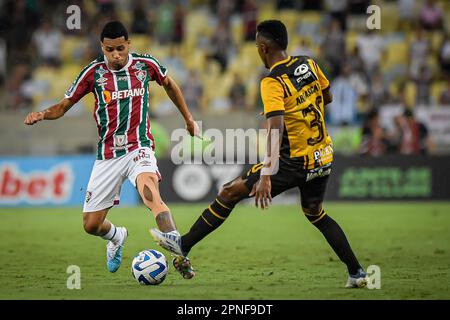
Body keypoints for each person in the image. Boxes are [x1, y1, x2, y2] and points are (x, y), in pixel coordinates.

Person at [152, 20, 369, 288]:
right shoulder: (308, 64)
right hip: (322, 155)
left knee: (230, 192)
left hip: (292, 161)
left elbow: (275, 128)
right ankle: (356, 272)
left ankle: (183, 244)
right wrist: (294, 111)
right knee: (315, 212)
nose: (256, 50)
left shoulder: (272, 80)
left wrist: (267, 172)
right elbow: (327, 97)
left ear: (264, 47)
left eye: (256, 46)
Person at [24, 21, 198, 276]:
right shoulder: (92, 73)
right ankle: (117, 236)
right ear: (102, 47)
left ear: (128, 45)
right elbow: (63, 105)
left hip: (139, 147)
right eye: (109, 49)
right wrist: (41, 113)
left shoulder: (144, 65)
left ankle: (181, 256)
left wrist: (188, 118)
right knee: (91, 225)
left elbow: (170, 85)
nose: (115, 55)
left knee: (152, 197)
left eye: (120, 48)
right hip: (108, 155)